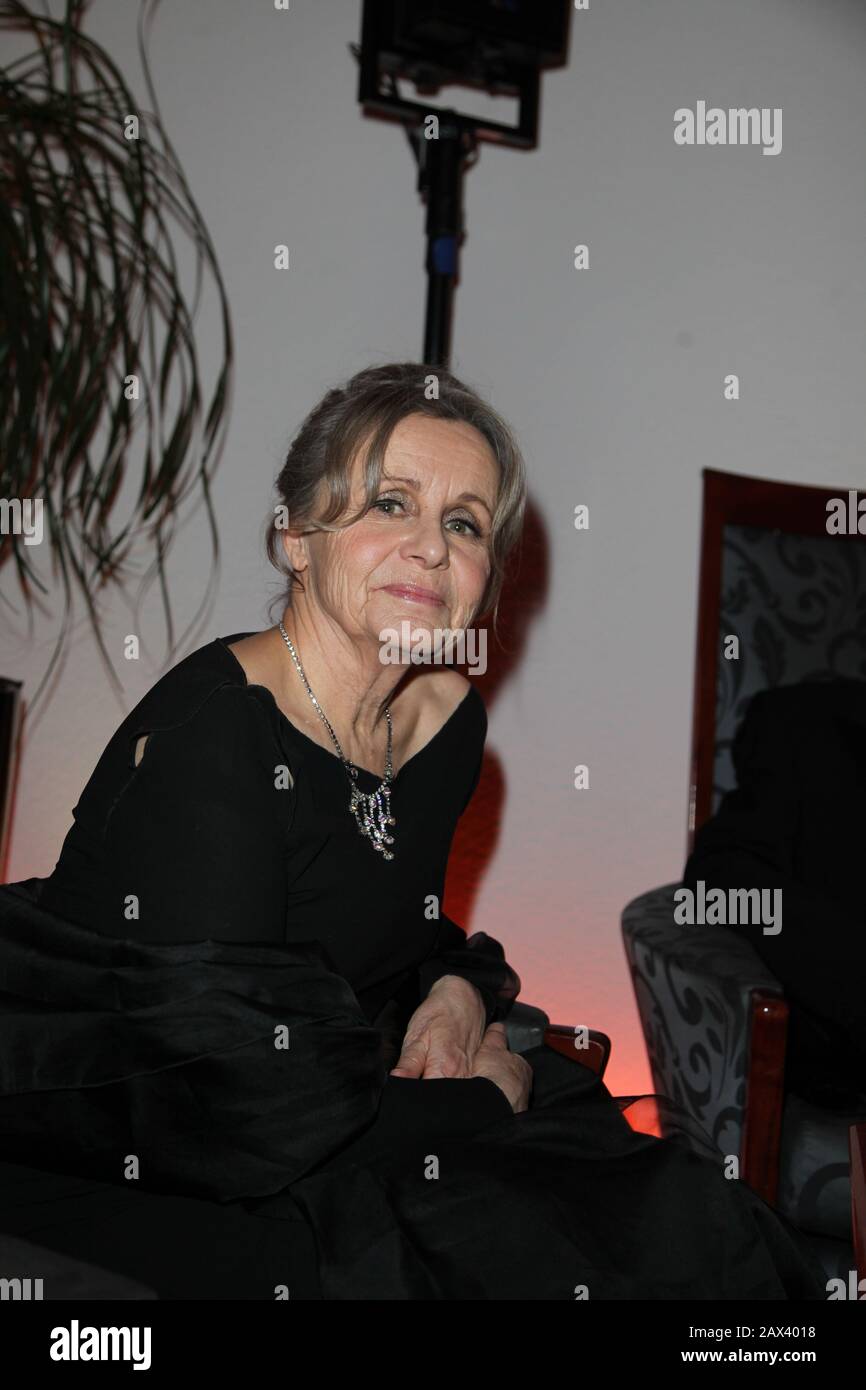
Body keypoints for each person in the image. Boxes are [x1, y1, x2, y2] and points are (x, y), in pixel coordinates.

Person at [0, 363, 828, 1300]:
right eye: (390, 503)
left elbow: (405, 930)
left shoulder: (443, 722)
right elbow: (235, 1106)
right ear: (296, 540)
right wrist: (481, 1098)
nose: (430, 548)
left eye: (465, 523)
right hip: (155, 1153)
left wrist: (457, 991)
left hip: (327, 1106)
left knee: (690, 1215)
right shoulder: (220, 738)